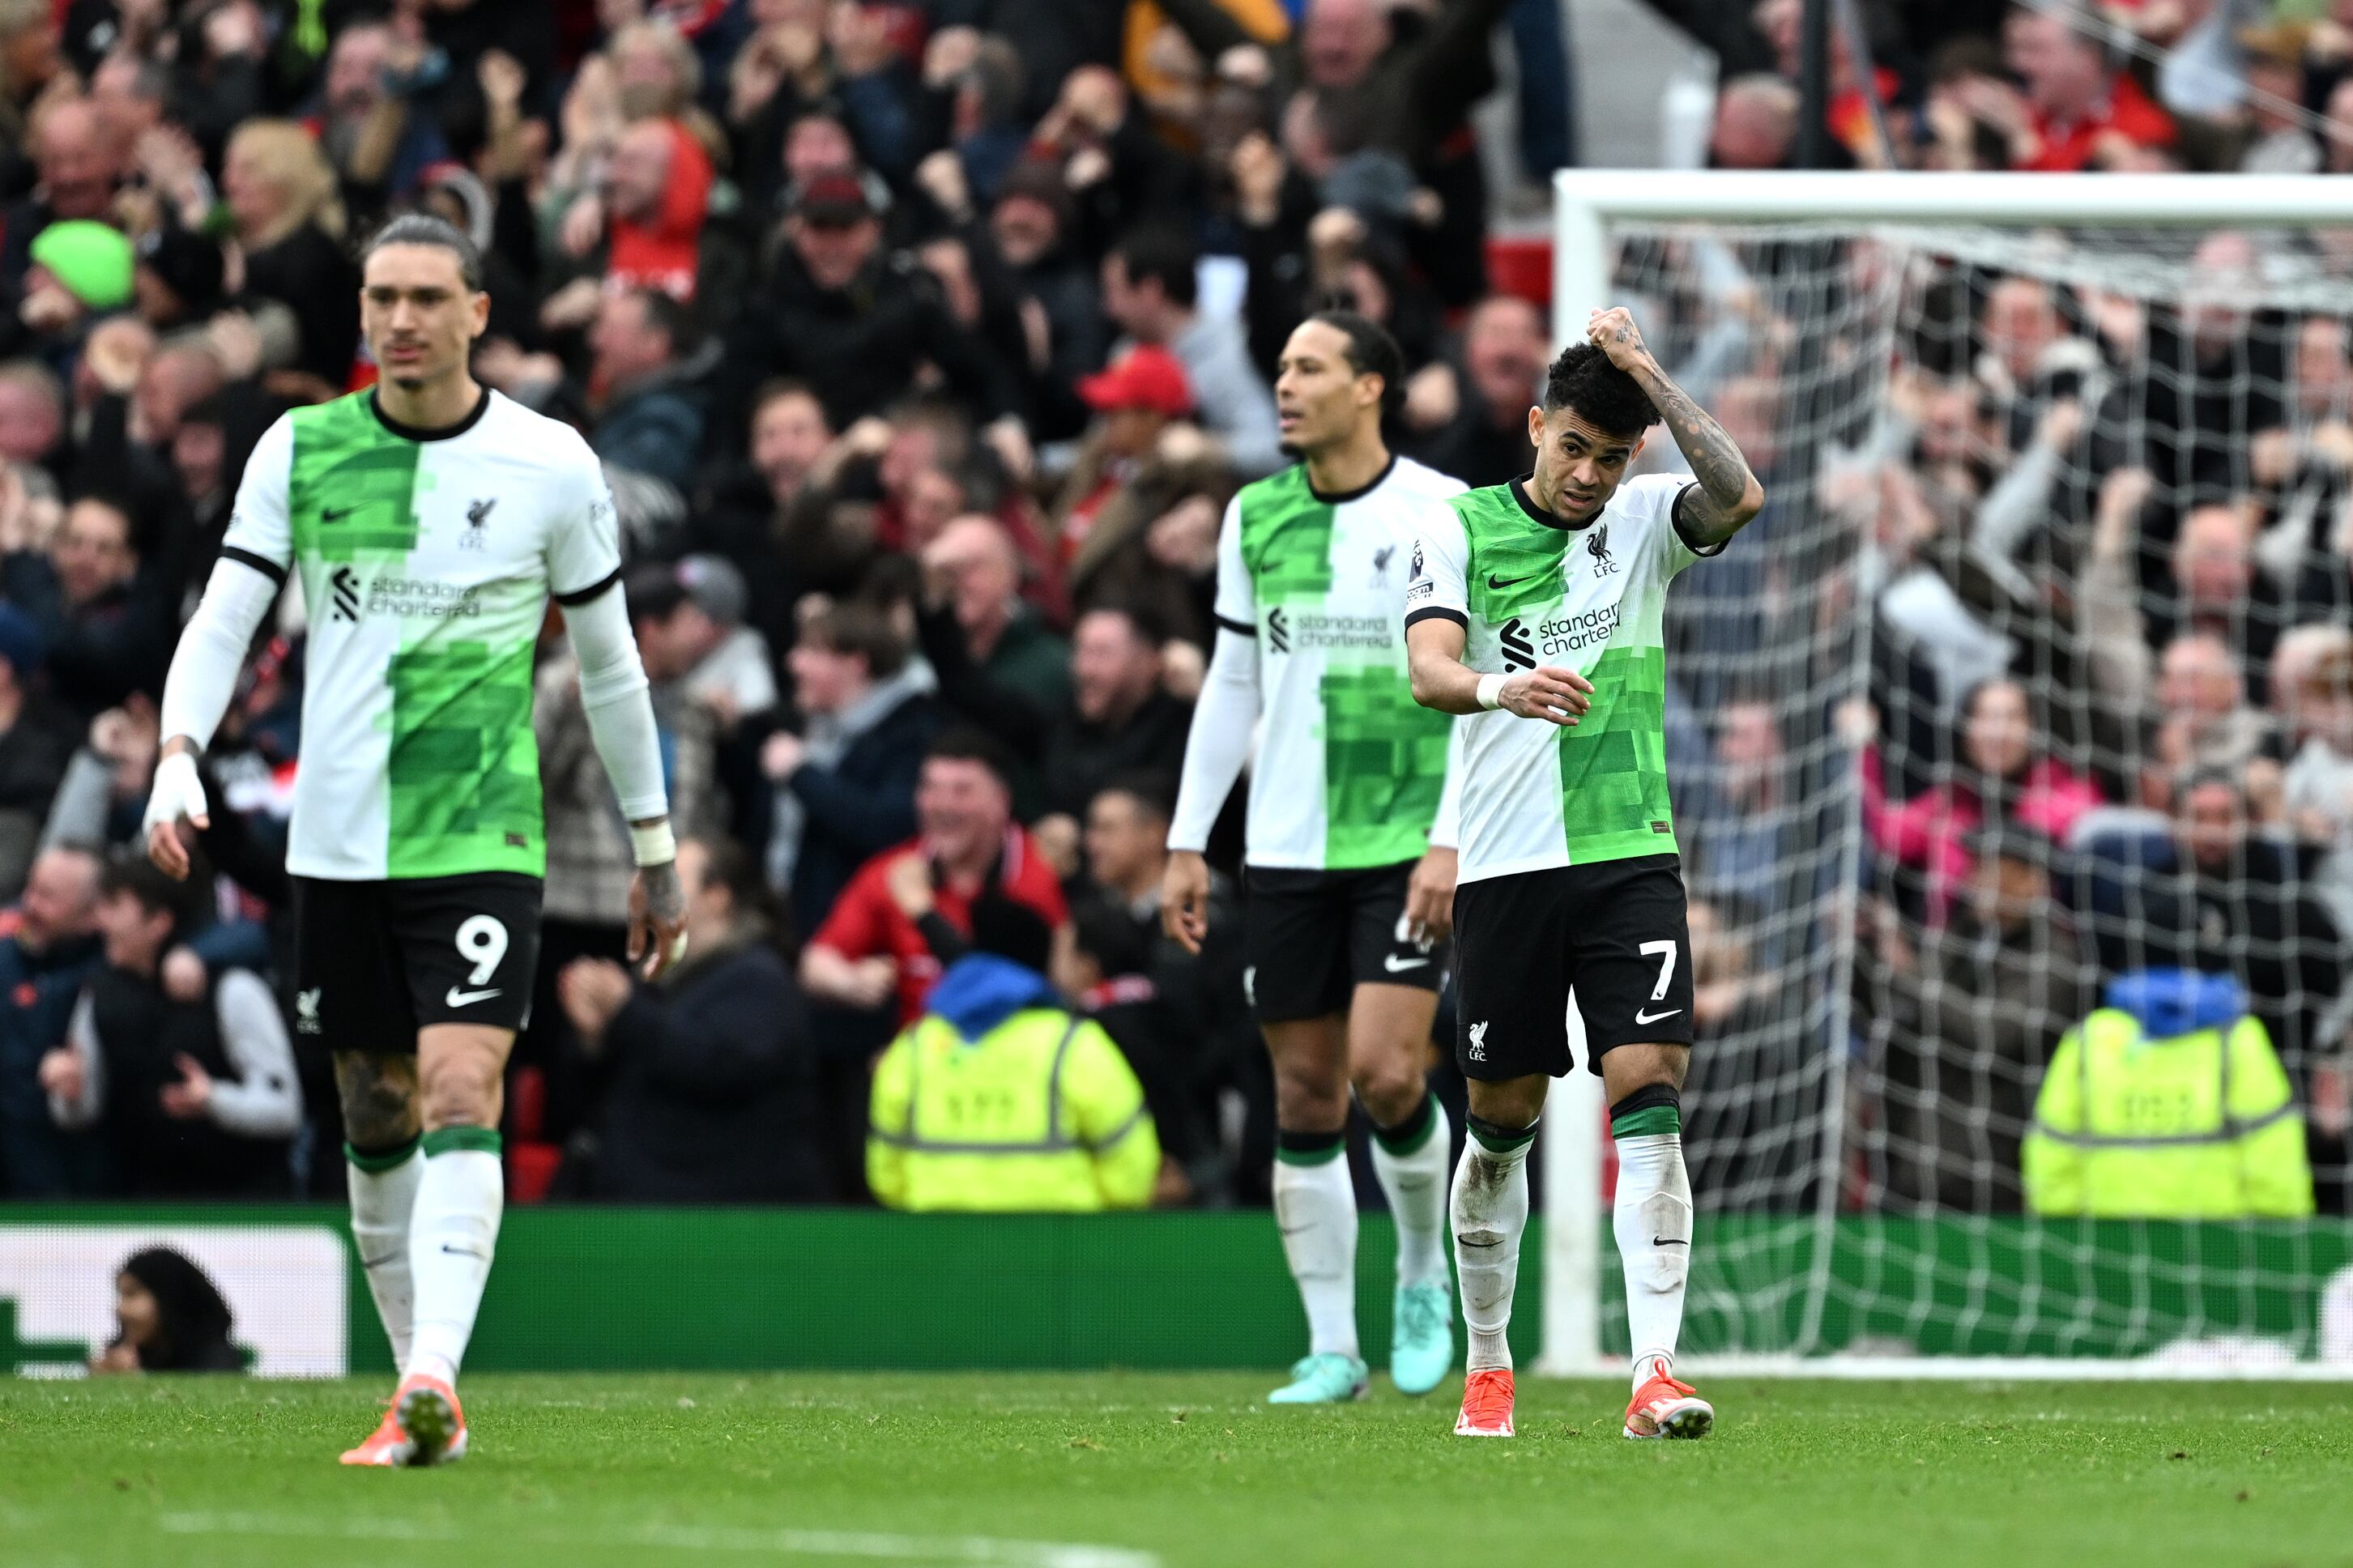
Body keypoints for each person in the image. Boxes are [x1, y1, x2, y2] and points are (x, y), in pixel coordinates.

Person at [139, 215, 684, 1468]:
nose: (399, 321)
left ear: (478, 313)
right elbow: (226, 617)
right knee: (375, 1107)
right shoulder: (305, 447)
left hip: (480, 833)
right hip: (336, 842)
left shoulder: (549, 464)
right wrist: (176, 755)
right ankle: (416, 1387)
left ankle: (432, 1372)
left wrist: (655, 848)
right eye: (381, 296)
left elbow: (611, 669)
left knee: (457, 1087)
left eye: (428, 298)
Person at [1403, 307, 1765, 1440]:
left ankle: (1654, 1369)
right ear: (1534, 427)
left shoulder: (1650, 518)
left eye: (1611, 457)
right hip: (1508, 868)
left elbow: (1742, 495)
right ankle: (1489, 1363)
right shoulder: (1454, 525)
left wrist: (1650, 374)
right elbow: (1426, 668)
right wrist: (1498, 690)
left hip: (1630, 855)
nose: (1589, 474)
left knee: (1648, 1086)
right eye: (1573, 447)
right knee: (1500, 1119)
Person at [1163, 310, 1464, 1404]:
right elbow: (1232, 683)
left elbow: (1476, 693)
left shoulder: (1442, 513)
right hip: (1285, 844)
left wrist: (1452, 836)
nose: (1283, 385)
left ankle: (1424, 1274)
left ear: (1370, 386)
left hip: (1405, 840)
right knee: (1303, 1091)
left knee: (1388, 1072)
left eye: (1309, 367)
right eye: (1281, 368)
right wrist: (1188, 837)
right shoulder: (1255, 517)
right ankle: (1332, 1346)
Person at [560, 837, 825, 1204]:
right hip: (636, 1200)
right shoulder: (656, 979)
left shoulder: (761, 980)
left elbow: (719, 1063)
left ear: (717, 897)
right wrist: (594, 1039)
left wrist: (625, 1010)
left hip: (720, 1215)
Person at [867, 891, 1158, 1212]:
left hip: (943, 1254)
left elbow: (886, 1179)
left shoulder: (915, 1047)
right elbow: (1133, 1173)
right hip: (1059, 1252)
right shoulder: (1074, 1045)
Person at [40, 850, 301, 1197]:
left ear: (158, 921)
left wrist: (214, 1100)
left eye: (115, 906)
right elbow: (82, 1110)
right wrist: (67, 1091)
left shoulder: (232, 990)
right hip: (148, 1207)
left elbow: (285, 1110)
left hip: (246, 1213)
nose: (101, 920)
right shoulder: (99, 995)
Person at [804, 729, 1068, 1029]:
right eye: (930, 788)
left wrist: (922, 912)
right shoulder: (894, 870)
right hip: (921, 1062)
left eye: (962, 791)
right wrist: (850, 983)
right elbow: (816, 961)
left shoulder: (1040, 874)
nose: (942, 806)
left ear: (1001, 802)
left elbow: (1044, 992)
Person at [2025, 972, 2313, 1219]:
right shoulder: (2237, 1037)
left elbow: (2053, 1150)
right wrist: (2281, 1236)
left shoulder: (2090, 1037)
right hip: (2223, 1250)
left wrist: (2063, 1230)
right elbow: (2273, 1152)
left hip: (2107, 1248)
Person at [0, 843, 102, 1197]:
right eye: (30, 888)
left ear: (91, 915)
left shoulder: (110, 974)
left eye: (47, 897)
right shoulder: (5, 956)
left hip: (72, 1194)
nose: (29, 904)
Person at [89, 1246, 243, 1374]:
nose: (120, 1309)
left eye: (132, 1294)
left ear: (168, 1299)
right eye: (121, 1295)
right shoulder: (123, 1353)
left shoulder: (215, 1362)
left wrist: (137, 1382)